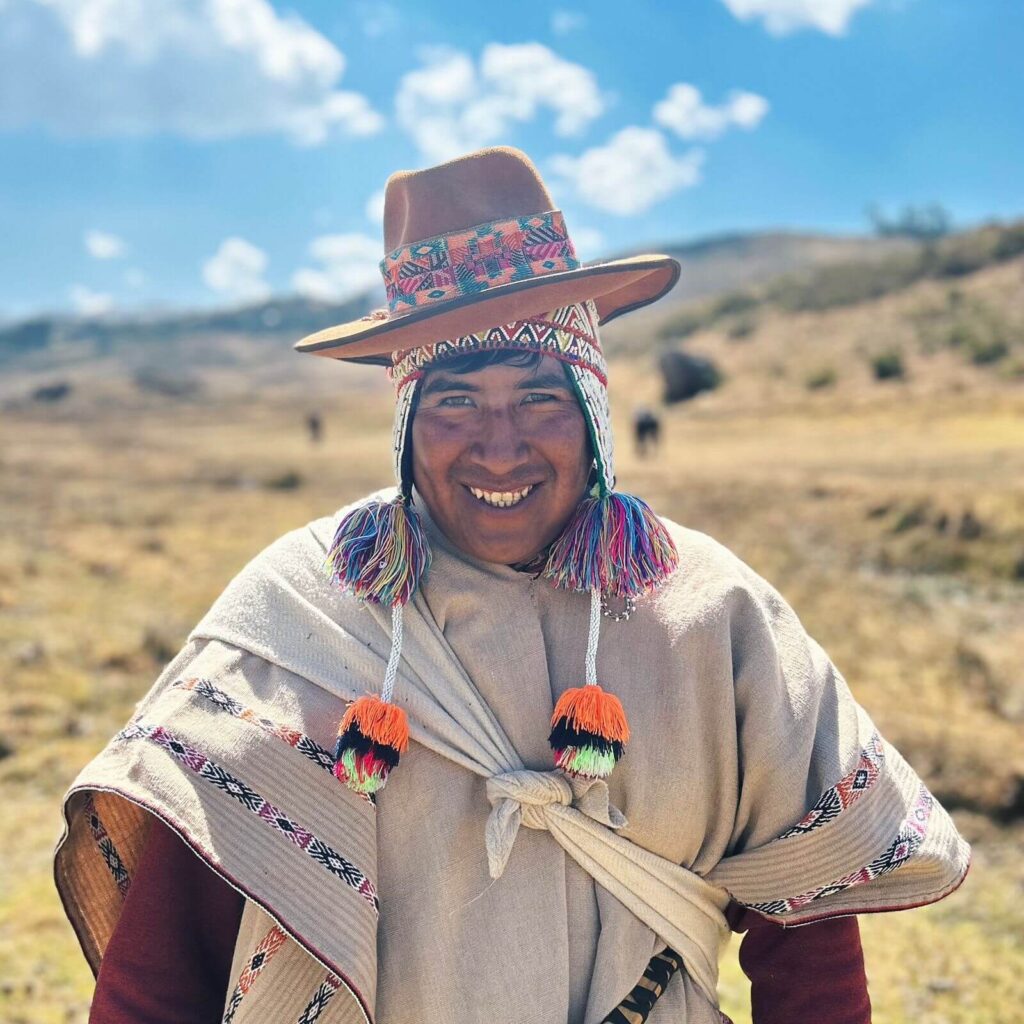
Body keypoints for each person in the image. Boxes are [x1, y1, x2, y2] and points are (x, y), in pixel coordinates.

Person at [56, 148, 969, 1024]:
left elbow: (806, 937)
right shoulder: (301, 615)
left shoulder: (713, 615)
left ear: (595, 410)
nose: (501, 446)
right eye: (454, 400)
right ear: (408, 420)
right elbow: (168, 956)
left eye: (540, 397)